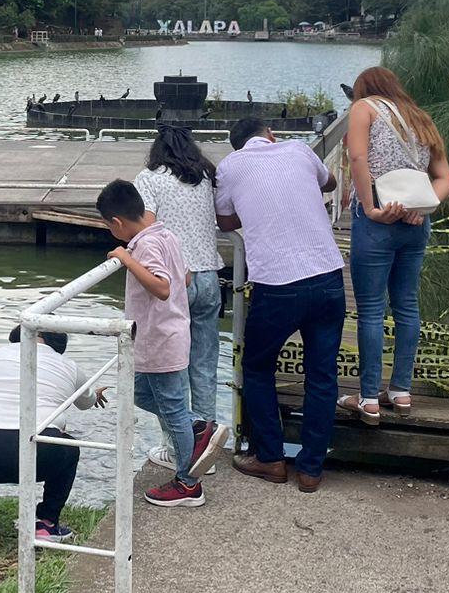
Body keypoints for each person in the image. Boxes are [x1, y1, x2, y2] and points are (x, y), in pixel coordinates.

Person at [214, 117, 344, 493]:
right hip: (328, 275)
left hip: (276, 284)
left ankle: (271, 458)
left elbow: (224, 220)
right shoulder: (299, 149)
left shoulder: (230, 167)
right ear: (270, 134)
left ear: (237, 145)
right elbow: (330, 183)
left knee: (257, 368)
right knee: (322, 374)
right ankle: (311, 470)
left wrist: (253, 207)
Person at [342, 66, 449, 420]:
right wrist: (423, 207)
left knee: (371, 310)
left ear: (364, 89)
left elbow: (358, 158)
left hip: (379, 221)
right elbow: (445, 177)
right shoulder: (421, 117)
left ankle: (368, 398)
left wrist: (370, 208)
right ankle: (401, 391)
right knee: (406, 305)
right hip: (416, 223)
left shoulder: (363, 108)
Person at [96, 178, 216, 507]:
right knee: (139, 392)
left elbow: (162, 288)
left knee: (172, 410)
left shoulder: (144, 246)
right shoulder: (166, 236)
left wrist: (127, 259)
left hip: (160, 341)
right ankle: (197, 425)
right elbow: (185, 278)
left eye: (109, 226)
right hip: (166, 336)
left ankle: (188, 483)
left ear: (117, 223)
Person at [0, 327, 108, 548]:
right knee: (69, 446)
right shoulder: (68, 365)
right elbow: (86, 403)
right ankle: (46, 523)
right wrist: (95, 395)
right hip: (40, 452)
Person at [134, 128, 229, 472]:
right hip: (209, 278)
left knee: (168, 369)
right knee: (203, 365)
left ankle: (181, 449)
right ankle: (207, 446)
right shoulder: (203, 177)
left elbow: (145, 229)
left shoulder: (149, 179)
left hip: (175, 280)